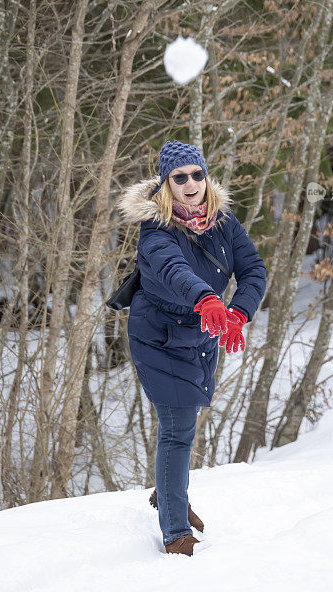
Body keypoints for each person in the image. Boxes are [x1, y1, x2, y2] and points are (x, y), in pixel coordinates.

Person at [115, 140, 266, 555]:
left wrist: (238, 312)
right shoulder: (156, 230)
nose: (191, 184)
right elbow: (172, 268)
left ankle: (169, 494)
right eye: (179, 177)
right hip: (160, 336)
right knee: (178, 427)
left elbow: (253, 268)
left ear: (206, 176)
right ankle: (175, 532)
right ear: (166, 184)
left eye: (197, 174)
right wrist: (207, 298)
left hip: (201, 333)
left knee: (184, 423)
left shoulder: (223, 221)